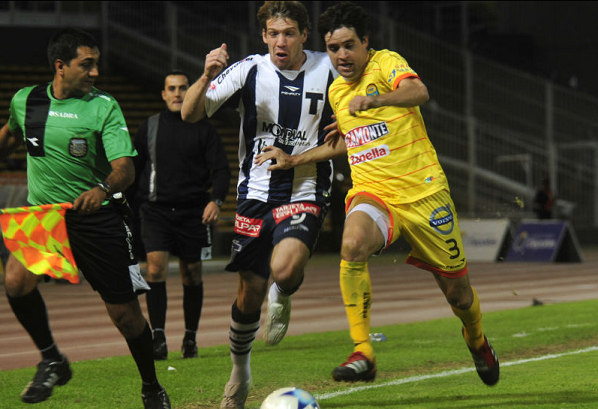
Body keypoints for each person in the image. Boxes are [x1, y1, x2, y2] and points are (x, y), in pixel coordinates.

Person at [255, 1, 500, 387]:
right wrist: (294, 159)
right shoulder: (337, 91)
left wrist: (376, 99)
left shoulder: (386, 63)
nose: (341, 55)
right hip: (374, 192)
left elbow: (418, 91)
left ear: (365, 42)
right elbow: (348, 141)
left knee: (460, 296)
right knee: (351, 244)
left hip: (424, 195)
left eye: (349, 45)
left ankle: (476, 339)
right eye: (333, 48)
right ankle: (363, 352)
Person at [0, 28, 171, 408]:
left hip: (97, 217)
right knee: (15, 282)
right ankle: (52, 359)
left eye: (96, 64)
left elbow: (125, 169)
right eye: (87, 64)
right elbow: (9, 137)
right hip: (44, 215)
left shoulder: (103, 106)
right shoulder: (26, 101)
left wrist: (102, 189)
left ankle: (151, 386)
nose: (95, 72)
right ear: (60, 66)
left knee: (125, 316)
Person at [181, 2, 338, 407]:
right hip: (255, 195)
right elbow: (189, 113)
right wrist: (206, 76)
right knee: (249, 292)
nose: (280, 42)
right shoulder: (249, 69)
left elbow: (353, 128)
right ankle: (241, 371)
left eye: (289, 33)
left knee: (284, 268)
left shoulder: (329, 69)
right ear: (264, 36)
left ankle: (283, 291)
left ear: (304, 35)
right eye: (273, 34)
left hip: (305, 190)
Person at [130, 71, 230, 361]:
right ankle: (158, 337)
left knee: (192, 273)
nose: (177, 93)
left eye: (183, 88)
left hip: (193, 213)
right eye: (171, 89)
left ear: (192, 91)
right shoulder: (149, 127)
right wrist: (126, 210)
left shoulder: (204, 128)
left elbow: (222, 170)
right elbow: (134, 171)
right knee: (154, 270)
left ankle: (190, 338)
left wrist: (216, 201)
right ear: (163, 94)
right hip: (156, 211)